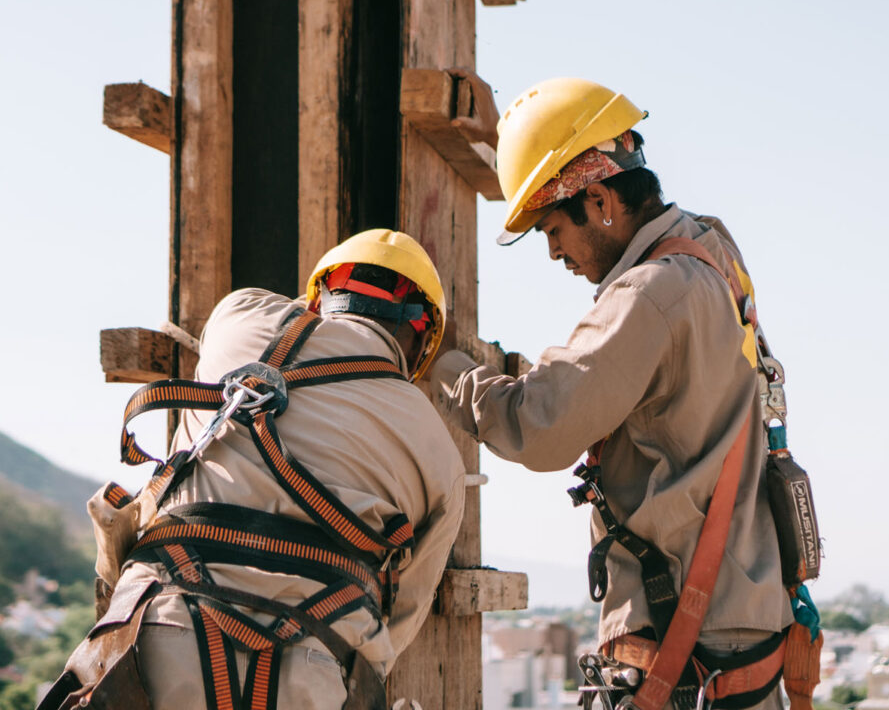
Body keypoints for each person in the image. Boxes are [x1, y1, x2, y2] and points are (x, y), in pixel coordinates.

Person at [432, 76, 799, 710]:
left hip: (686, 642)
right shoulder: (712, 251)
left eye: (552, 230)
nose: (554, 254)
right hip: (741, 634)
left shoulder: (650, 293)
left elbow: (540, 427)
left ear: (599, 200)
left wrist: (442, 365)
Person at [42, 229, 466, 710]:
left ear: (319, 296)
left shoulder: (239, 315)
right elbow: (399, 618)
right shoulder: (437, 449)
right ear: (419, 340)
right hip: (316, 666)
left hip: (158, 630)